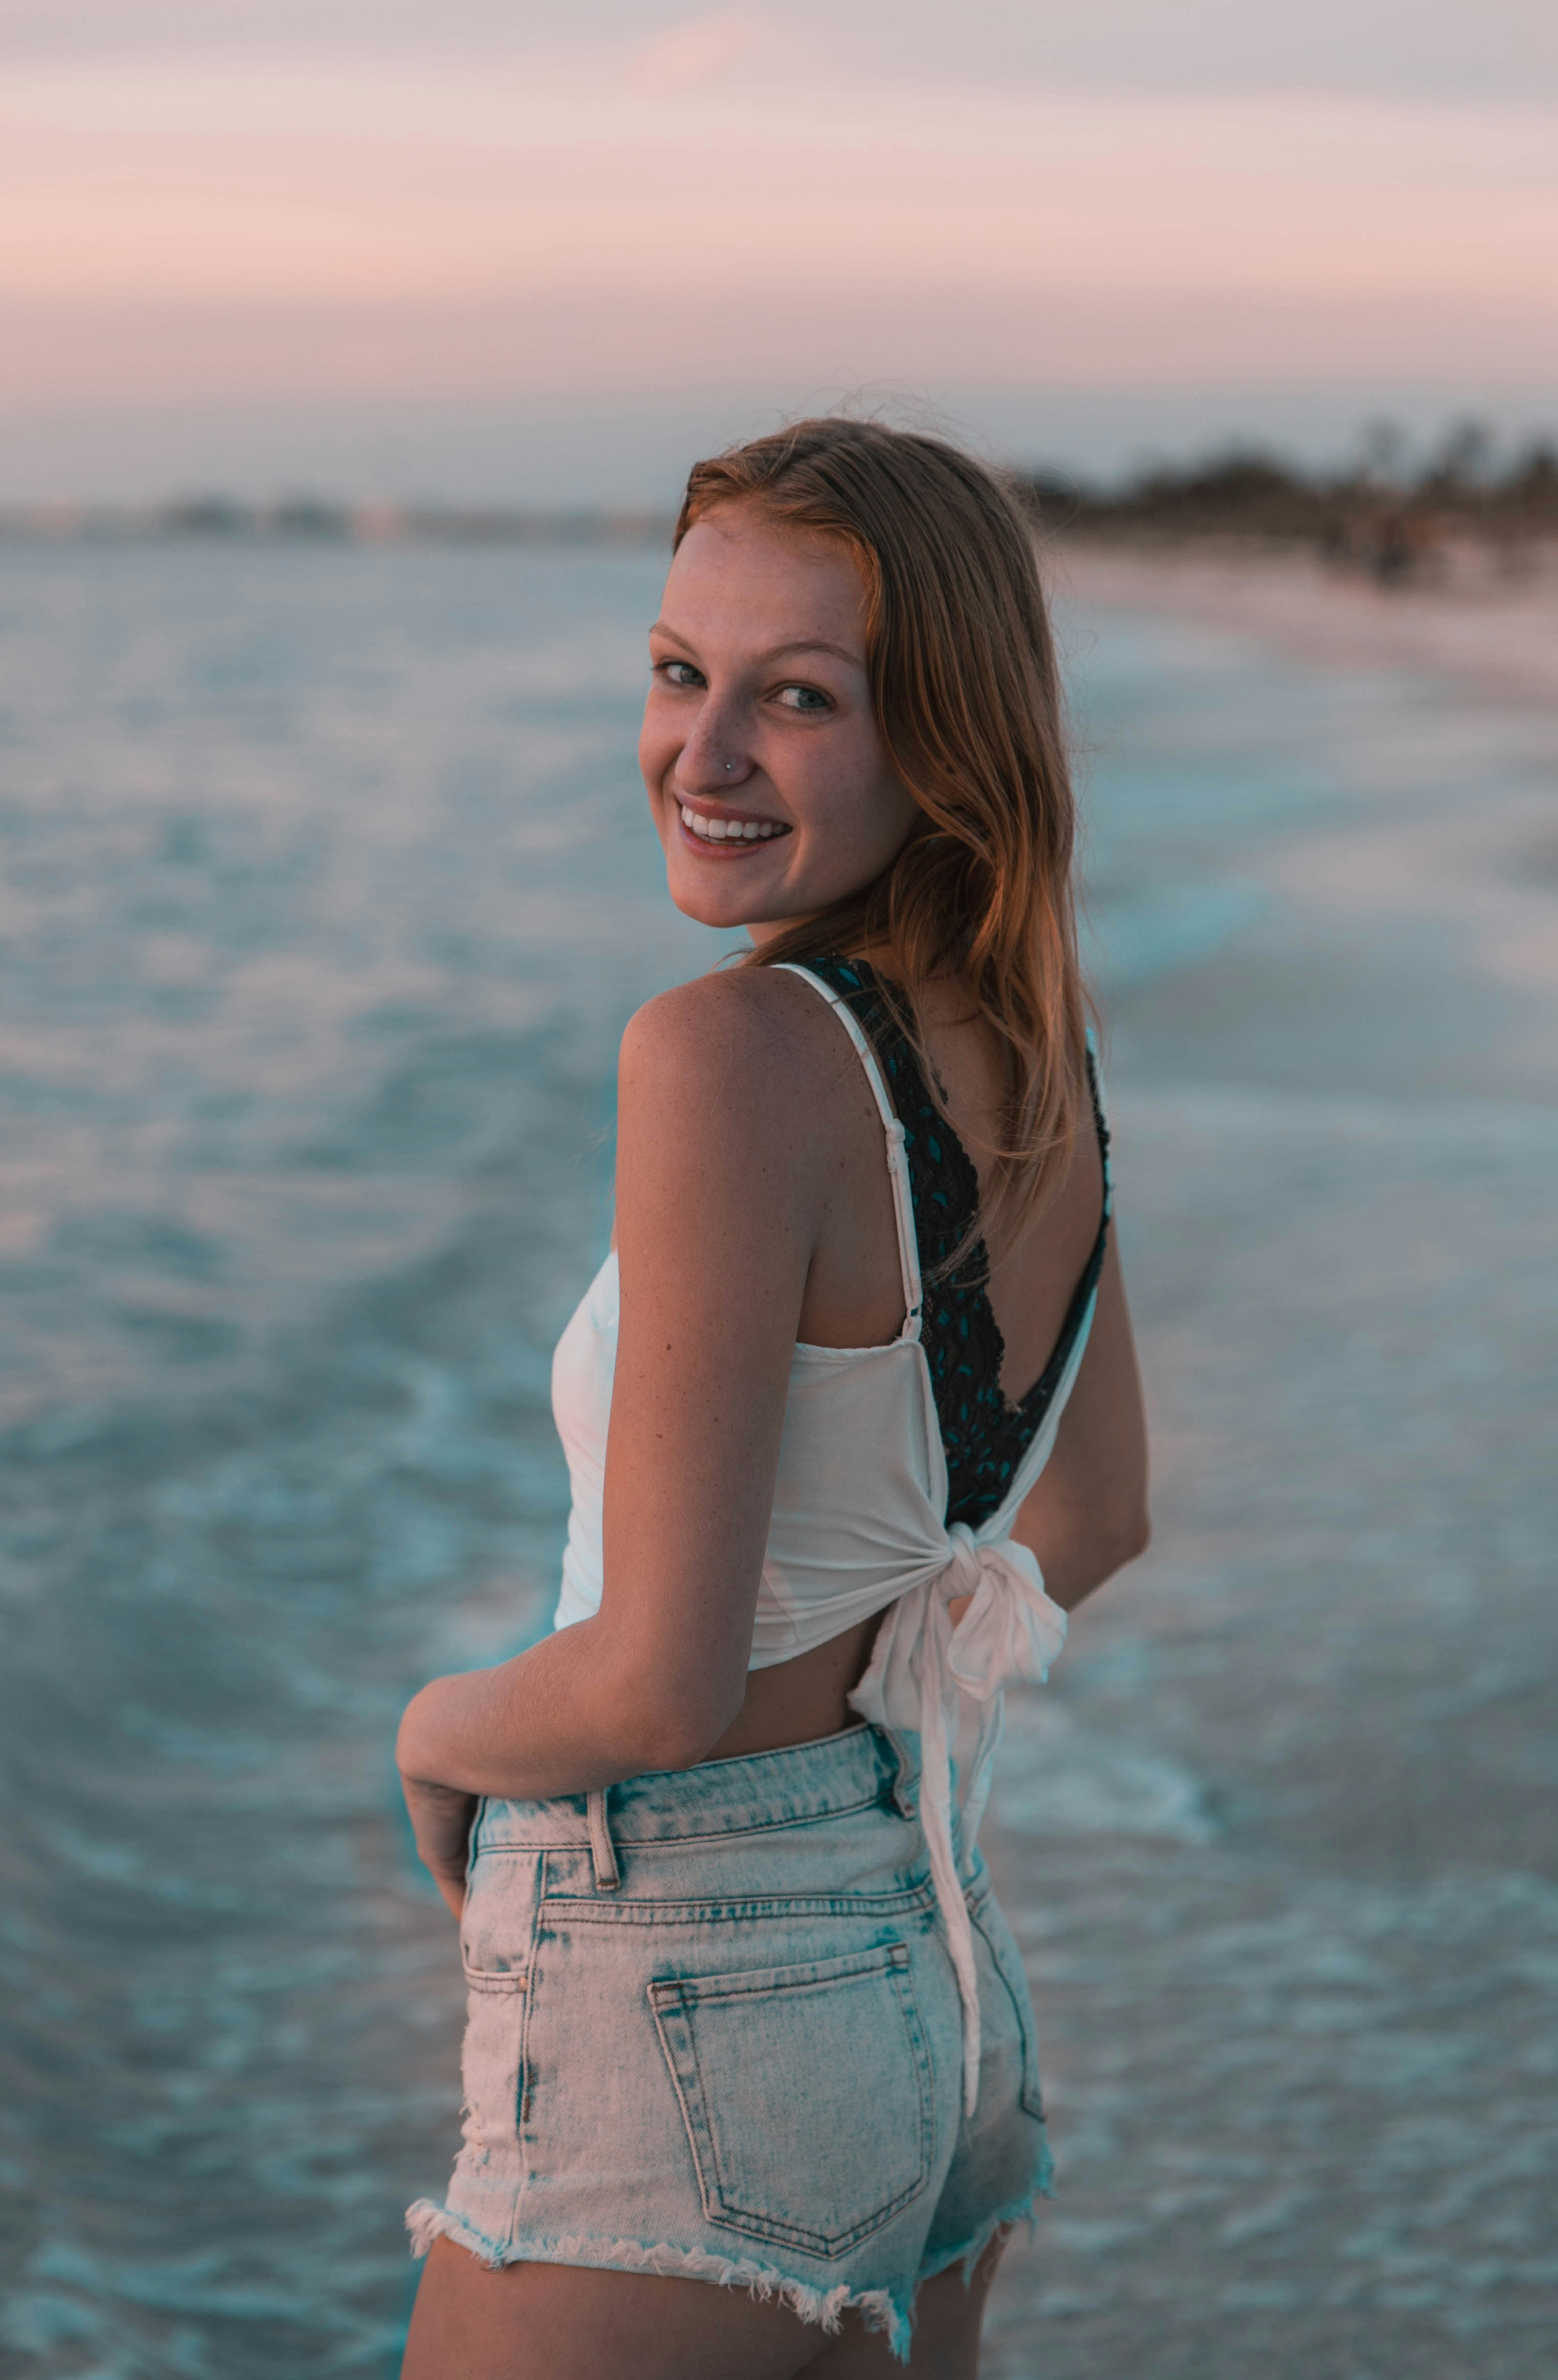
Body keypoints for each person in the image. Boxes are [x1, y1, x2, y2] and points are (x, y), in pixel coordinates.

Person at [396, 418, 1150, 2378]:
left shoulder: (729, 1055)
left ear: (945, 745)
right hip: (937, 1971)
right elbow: (1096, 1516)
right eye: (677, 673)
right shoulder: (1035, 1049)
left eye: (794, 700)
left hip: (687, 1986)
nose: (701, 755)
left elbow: (657, 1682)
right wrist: (874, 1629)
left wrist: (438, 1727)